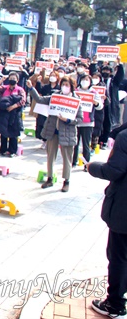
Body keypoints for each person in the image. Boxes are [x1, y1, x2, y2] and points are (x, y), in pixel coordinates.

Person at [86, 124, 127, 319]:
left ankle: (115, 304)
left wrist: (92, 167)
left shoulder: (125, 137)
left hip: (123, 210)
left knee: (119, 256)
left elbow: (114, 171)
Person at [26, 77, 83, 192]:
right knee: (50, 155)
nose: (65, 87)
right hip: (53, 131)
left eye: (67, 85)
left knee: (67, 157)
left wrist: (67, 120)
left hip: (67, 132)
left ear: (71, 86)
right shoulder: (55, 97)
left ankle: (66, 181)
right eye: (63, 84)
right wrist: (31, 88)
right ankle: (50, 178)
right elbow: (40, 99)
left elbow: (80, 119)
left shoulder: (76, 100)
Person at [72, 74, 104, 169]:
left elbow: (100, 106)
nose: (85, 81)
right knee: (75, 144)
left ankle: (86, 164)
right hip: (77, 121)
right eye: (83, 79)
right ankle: (74, 162)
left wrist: (96, 103)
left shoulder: (94, 93)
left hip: (88, 122)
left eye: (87, 79)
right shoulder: (76, 91)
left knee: (86, 145)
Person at [0, 71, 26, 157]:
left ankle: (12, 151)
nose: (12, 80)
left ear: (17, 80)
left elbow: (23, 100)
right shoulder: (4, 88)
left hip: (14, 113)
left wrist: (13, 106)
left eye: (14, 79)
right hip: (4, 112)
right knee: (3, 132)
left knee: (13, 133)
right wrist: (2, 79)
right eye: (11, 78)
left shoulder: (20, 90)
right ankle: (2, 149)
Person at [34, 69, 61, 147]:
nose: (52, 77)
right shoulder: (46, 87)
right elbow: (40, 92)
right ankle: (44, 140)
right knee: (43, 123)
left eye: (54, 76)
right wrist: (38, 82)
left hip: (55, 108)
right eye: (51, 75)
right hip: (45, 107)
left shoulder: (59, 87)